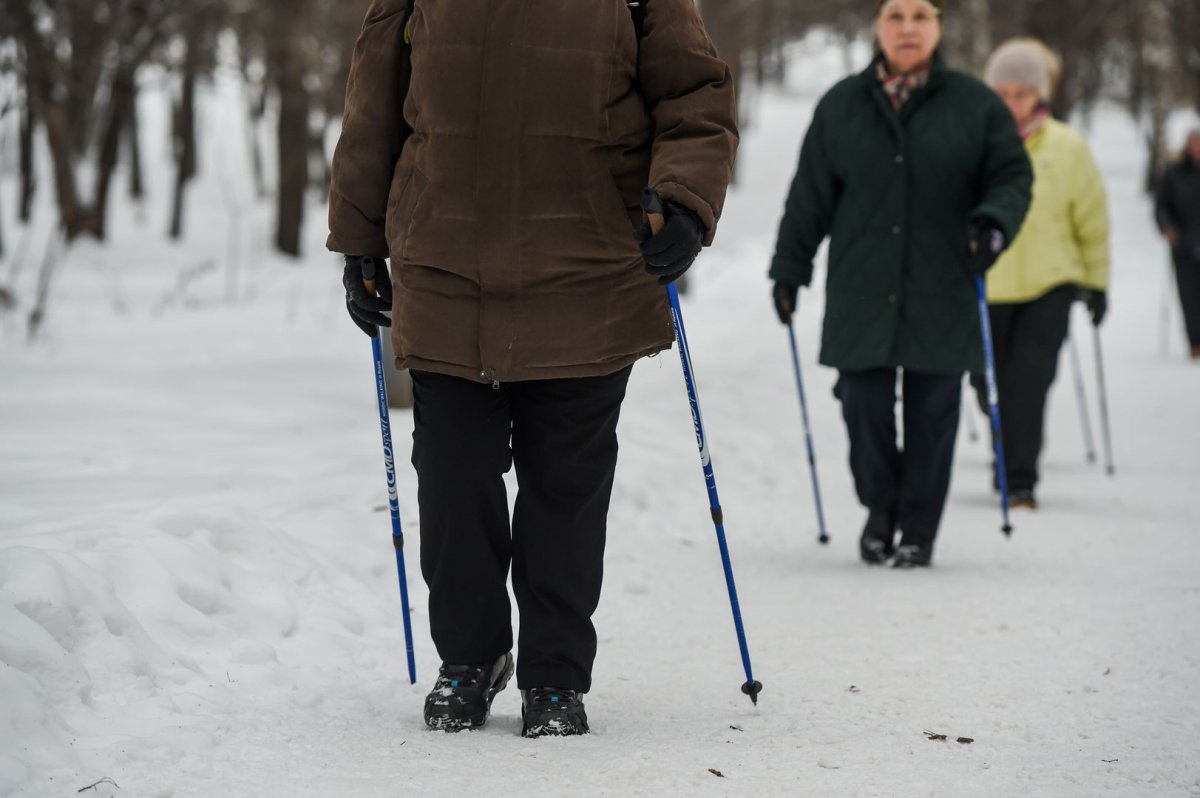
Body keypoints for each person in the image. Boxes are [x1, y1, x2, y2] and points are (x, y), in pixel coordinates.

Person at [327, 0, 736, 738]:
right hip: (446, 264)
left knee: (565, 487)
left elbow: (694, 94)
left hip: (586, 271)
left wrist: (683, 199)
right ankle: (470, 660)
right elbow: (374, 100)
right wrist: (359, 239)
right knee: (453, 474)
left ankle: (554, 675)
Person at [769, 0, 1033, 568]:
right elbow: (809, 196)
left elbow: (1011, 176)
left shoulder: (975, 104)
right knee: (862, 402)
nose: (908, 28)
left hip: (944, 282)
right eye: (896, 15)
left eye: (921, 15)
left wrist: (993, 223)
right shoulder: (842, 104)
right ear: (878, 28)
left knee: (933, 413)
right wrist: (789, 268)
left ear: (939, 27)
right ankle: (880, 508)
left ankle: (918, 528)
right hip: (862, 285)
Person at [968, 39, 1111, 510]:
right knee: (988, 382)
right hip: (987, 283)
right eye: (1003, 92)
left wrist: (1095, 283)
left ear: (1040, 96)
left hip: (1051, 284)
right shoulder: (973, 142)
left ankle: (1020, 479)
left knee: (1029, 382)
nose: (1012, 103)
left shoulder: (1068, 148)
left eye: (1022, 93)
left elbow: (1091, 219)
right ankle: (1004, 456)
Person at [1156, 130, 1200, 360]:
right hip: (1183, 245)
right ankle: (1195, 342)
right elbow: (1162, 204)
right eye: (1194, 143)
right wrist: (1166, 226)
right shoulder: (1174, 172)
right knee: (1189, 296)